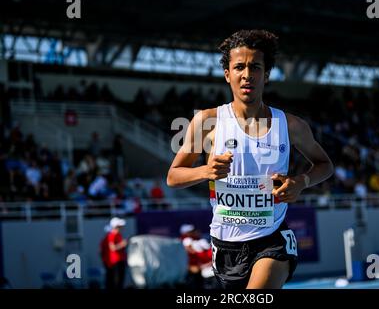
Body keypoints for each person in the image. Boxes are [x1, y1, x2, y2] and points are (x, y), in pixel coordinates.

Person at [167, 30, 334, 289]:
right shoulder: (208, 122)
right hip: (225, 246)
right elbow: (174, 176)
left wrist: (300, 181)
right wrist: (205, 171)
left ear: (265, 75)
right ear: (227, 75)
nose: (247, 74)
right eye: (239, 67)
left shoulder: (290, 125)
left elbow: (325, 165)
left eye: (255, 67)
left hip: (273, 239)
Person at [102, 217, 128, 289]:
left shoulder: (118, 235)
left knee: (119, 282)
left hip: (120, 261)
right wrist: (122, 244)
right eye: (119, 226)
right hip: (115, 262)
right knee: (115, 282)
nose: (121, 227)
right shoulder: (112, 235)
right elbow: (112, 248)